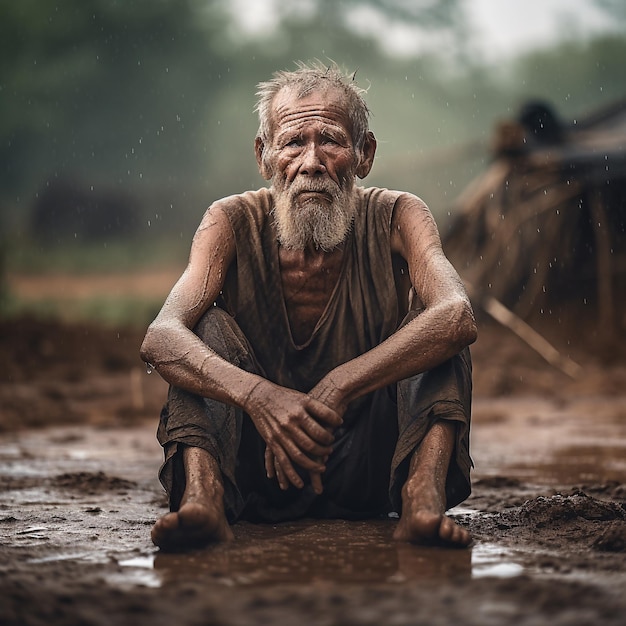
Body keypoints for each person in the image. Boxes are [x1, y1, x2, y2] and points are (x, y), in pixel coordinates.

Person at [140, 61, 477, 552]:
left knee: (435, 329)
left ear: (365, 154)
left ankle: (420, 498)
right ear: (264, 155)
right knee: (201, 330)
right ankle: (204, 497)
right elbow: (161, 336)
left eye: (332, 142)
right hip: (257, 470)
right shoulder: (229, 221)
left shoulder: (399, 214)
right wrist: (259, 398)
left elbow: (457, 314)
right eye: (294, 142)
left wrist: (340, 385)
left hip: (369, 467)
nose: (312, 161)